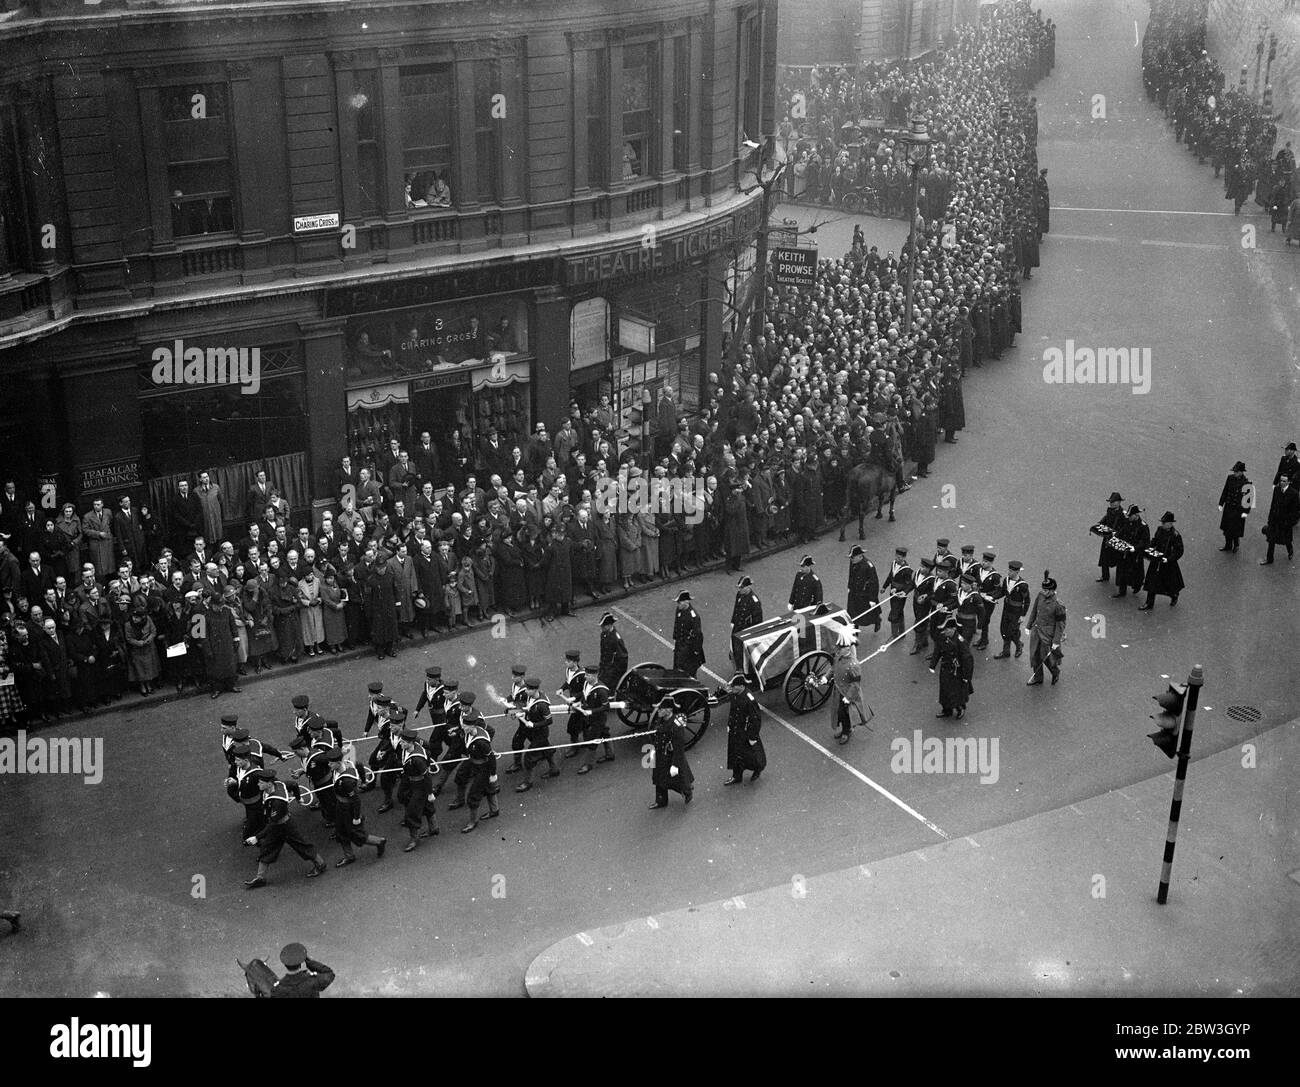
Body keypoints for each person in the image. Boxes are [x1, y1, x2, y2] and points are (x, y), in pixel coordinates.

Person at [242, 769, 327, 888]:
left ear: (269, 784)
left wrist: (257, 837)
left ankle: (320, 864)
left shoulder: (278, 802)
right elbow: (294, 784)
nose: (258, 784)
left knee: (302, 845)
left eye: (261, 782)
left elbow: (273, 823)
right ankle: (260, 878)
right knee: (267, 848)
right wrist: (298, 798)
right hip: (277, 824)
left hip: (285, 826)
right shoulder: (279, 784)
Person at [394, 716, 439, 851]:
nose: (401, 744)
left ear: (410, 743)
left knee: (412, 812)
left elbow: (427, 776)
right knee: (426, 806)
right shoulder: (410, 749)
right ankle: (434, 828)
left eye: (403, 742)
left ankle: (414, 839)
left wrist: (430, 793)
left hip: (420, 786)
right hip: (411, 782)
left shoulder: (417, 759)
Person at [515, 676, 560, 792]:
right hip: (534, 732)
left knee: (529, 757)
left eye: (528, 689)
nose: (526, 691)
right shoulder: (531, 697)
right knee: (546, 750)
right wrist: (522, 713)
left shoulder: (542, 705)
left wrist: (534, 725)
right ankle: (554, 769)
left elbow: (549, 721)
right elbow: (529, 708)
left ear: (535, 690)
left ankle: (528, 782)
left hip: (540, 733)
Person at [648, 696, 694, 808]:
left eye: (660, 709)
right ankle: (661, 800)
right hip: (660, 753)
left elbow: (679, 748)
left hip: (671, 756)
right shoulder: (661, 719)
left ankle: (687, 792)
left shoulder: (676, 725)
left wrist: (675, 765)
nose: (658, 711)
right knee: (659, 778)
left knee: (677, 779)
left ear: (668, 710)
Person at [721, 672, 765, 784]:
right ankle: (736, 776)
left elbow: (755, 719)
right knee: (735, 754)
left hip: (746, 732)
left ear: (741, 686)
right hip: (735, 730)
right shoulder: (735, 694)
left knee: (751, 755)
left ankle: (757, 769)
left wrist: (752, 736)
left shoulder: (749, 699)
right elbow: (732, 711)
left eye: (734, 686)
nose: (732, 688)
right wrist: (730, 724)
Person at [1025, 571, 1066, 686]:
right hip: (1036, 630)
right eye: (1043, 589)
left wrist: (1056, 641)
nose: (1044, 592)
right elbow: (1034, 610)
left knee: (1047, 657)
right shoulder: (1040, 595)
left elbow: (1061, 625)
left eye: (1046, 590)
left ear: (1052, 591)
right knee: (1035, 655)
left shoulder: (1058, 605)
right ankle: (1038, 677)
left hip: (1048, 634)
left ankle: (1055, 672)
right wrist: (1028, 625)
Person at [929, 616, 974, 718]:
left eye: (947, 629)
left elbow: (967, 660)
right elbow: (937, 651)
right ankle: (946, 710)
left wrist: (966, 676)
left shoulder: (960, 641)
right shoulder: (942, 637)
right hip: (945, 667)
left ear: (953, 629)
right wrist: (932, 665)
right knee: (944, 690)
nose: (944, 631)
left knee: (957, 691)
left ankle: (960, 708)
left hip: (957, 670)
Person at [576, 662, 616, 773]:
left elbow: (606, 707)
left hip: (598, 719)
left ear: (595, 676)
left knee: (592, 741)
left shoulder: (601, 690)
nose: (585, 677)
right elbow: (585, 695)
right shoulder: (586, 684)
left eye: (588, 675)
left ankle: (588, 764)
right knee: (604, 733)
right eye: (586, 674)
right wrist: (580, 702)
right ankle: (610, 754)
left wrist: (591, 711)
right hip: (591, 717)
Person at [1140, 511, 1185, 608]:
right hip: (1157, 559)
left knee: (1169, 583)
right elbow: (1155, 540)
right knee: (1151, 581)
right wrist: (1149, 548)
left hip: (1168, 563)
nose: (1162, 524)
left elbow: (1179, 551)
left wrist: (1169, 559)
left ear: (1170, 524)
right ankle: (1149, 603)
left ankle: (1174, 595)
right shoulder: (1160, 529)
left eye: (1164, 522)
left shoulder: (1175, 535)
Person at [829, 628, 864, 745]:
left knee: (845, 713)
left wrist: (848, 697)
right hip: (839, 690)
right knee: (839, 712)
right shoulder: (838, 658)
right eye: (840, 647)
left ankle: (846, 731)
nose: (839, 650)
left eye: (842, 648)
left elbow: (855, 684)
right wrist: (826, 677)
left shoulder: (854, 665)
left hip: (847, 692)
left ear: (848, 648)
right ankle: (845, 729)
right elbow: (833, 669)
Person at [269, 943, 335, 998]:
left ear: (285, 965)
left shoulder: (277, 989)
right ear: (300, 964)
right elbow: (329, 973)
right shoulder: (312, 980)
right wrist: (310, 963)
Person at [993, 560, 1030, 659]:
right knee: (1004, 630)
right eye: (1008, 570)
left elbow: (1027, 600)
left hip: (1016, 612)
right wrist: (993, 597)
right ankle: (1006, 652)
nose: (1008, 572)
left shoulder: (1022, 585)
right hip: (1006, 609)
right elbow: (1003, 592)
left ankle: (1018, 645)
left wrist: (1023, 615)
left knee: (1012, 632)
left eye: (1011, 571)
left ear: (1017, 572)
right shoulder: (1006, 580)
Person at [1261, 472, 1299, 564]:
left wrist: (1290, 522)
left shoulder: (1293, 493)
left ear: (1289, 482)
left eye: (1284, 481)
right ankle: (1269, 559)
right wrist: (1270, 518)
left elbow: (1296, 511)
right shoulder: (1277, 490)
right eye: (1281, 480)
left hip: (1285, 521)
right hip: (1275, 520)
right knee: (1271, 539)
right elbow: (1273, 505)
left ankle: (1290, 550)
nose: (1281, 482)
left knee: (1286, 540)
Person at [1113, 505, 1149, 599]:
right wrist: (1115, 537)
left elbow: (1144, 541)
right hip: (1125, 550)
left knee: (1136, 573)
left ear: (1136, 515)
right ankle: (1122, 591)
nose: (1128, 517)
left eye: (1130, 515)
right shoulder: (1127, 521)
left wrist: (1135, 548)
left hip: (1135, 554)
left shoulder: (1143, 526)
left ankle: (1137, 586)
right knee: (1122, 571)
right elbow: (1122, 531)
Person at [730, 575, 762, 672]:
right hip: (737, 626)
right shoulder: (739, 594)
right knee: (736, 648)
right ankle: (739, 668)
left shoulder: (754, 601)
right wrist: (733, 621)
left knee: (744, 652)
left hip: (746, 629)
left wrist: (753, 634)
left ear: (748, 587)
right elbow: (736, 608)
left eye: (742, 587)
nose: (739, 589)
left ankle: (745, 670)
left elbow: (758, 620)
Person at [1217, 461, 1251, 552]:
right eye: (1234, 471)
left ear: (1241, 472)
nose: (1234, 473)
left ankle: (1236, 544)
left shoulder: (1246, 483)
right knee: (1227, 528)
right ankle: (1228, 545)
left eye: (1236, 471)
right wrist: (1221, 503)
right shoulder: (1230, 478)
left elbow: (1248, 500)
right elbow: (1225, 491)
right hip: (1229, 507)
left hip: (1238, 510)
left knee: (1235, 530)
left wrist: (1246, 512)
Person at [847, 544, 880, 632]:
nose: (851, 559)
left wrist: (872, 599)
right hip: (854, 592)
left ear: (860, 556)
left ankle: (877, 620)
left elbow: (874, 583)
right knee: (853, 613)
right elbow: (851, 575)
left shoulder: (868, 566)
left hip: (865, 593)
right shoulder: (853, 562)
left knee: (870, 613)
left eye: (853, 557)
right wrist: (849, 586)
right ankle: (854, 632)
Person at [671, 590, 705, 678]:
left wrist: (696, 651)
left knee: (689, 674)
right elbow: (676, 624)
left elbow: (698, 635)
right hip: (680, 645)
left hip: (689, 649)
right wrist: (675, 637)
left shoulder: (694, 616)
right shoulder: (679, 610)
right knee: (678, 669)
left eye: (679, 602)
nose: (678, 604)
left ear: (686, 602)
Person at [882, 547, 913, 638]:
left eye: (899, 557)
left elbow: (908, 585)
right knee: (899, 612)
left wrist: (898, 589)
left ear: (904, 558)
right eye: (896, 556)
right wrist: (884, 586)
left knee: (894, 613)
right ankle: (902, 632)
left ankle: (894, 634)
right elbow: (890, 576)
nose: (896, 558)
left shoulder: (907, 570)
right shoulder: (894, 563)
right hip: (892, 593)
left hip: (900, 595)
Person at [598, 611, 628, 691]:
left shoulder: (616, 639)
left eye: (603, 626)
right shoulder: (603, 634)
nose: (602, 628)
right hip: (604, 668)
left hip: (612, 672)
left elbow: (623, 658)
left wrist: (617, 676)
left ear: (609, 625)